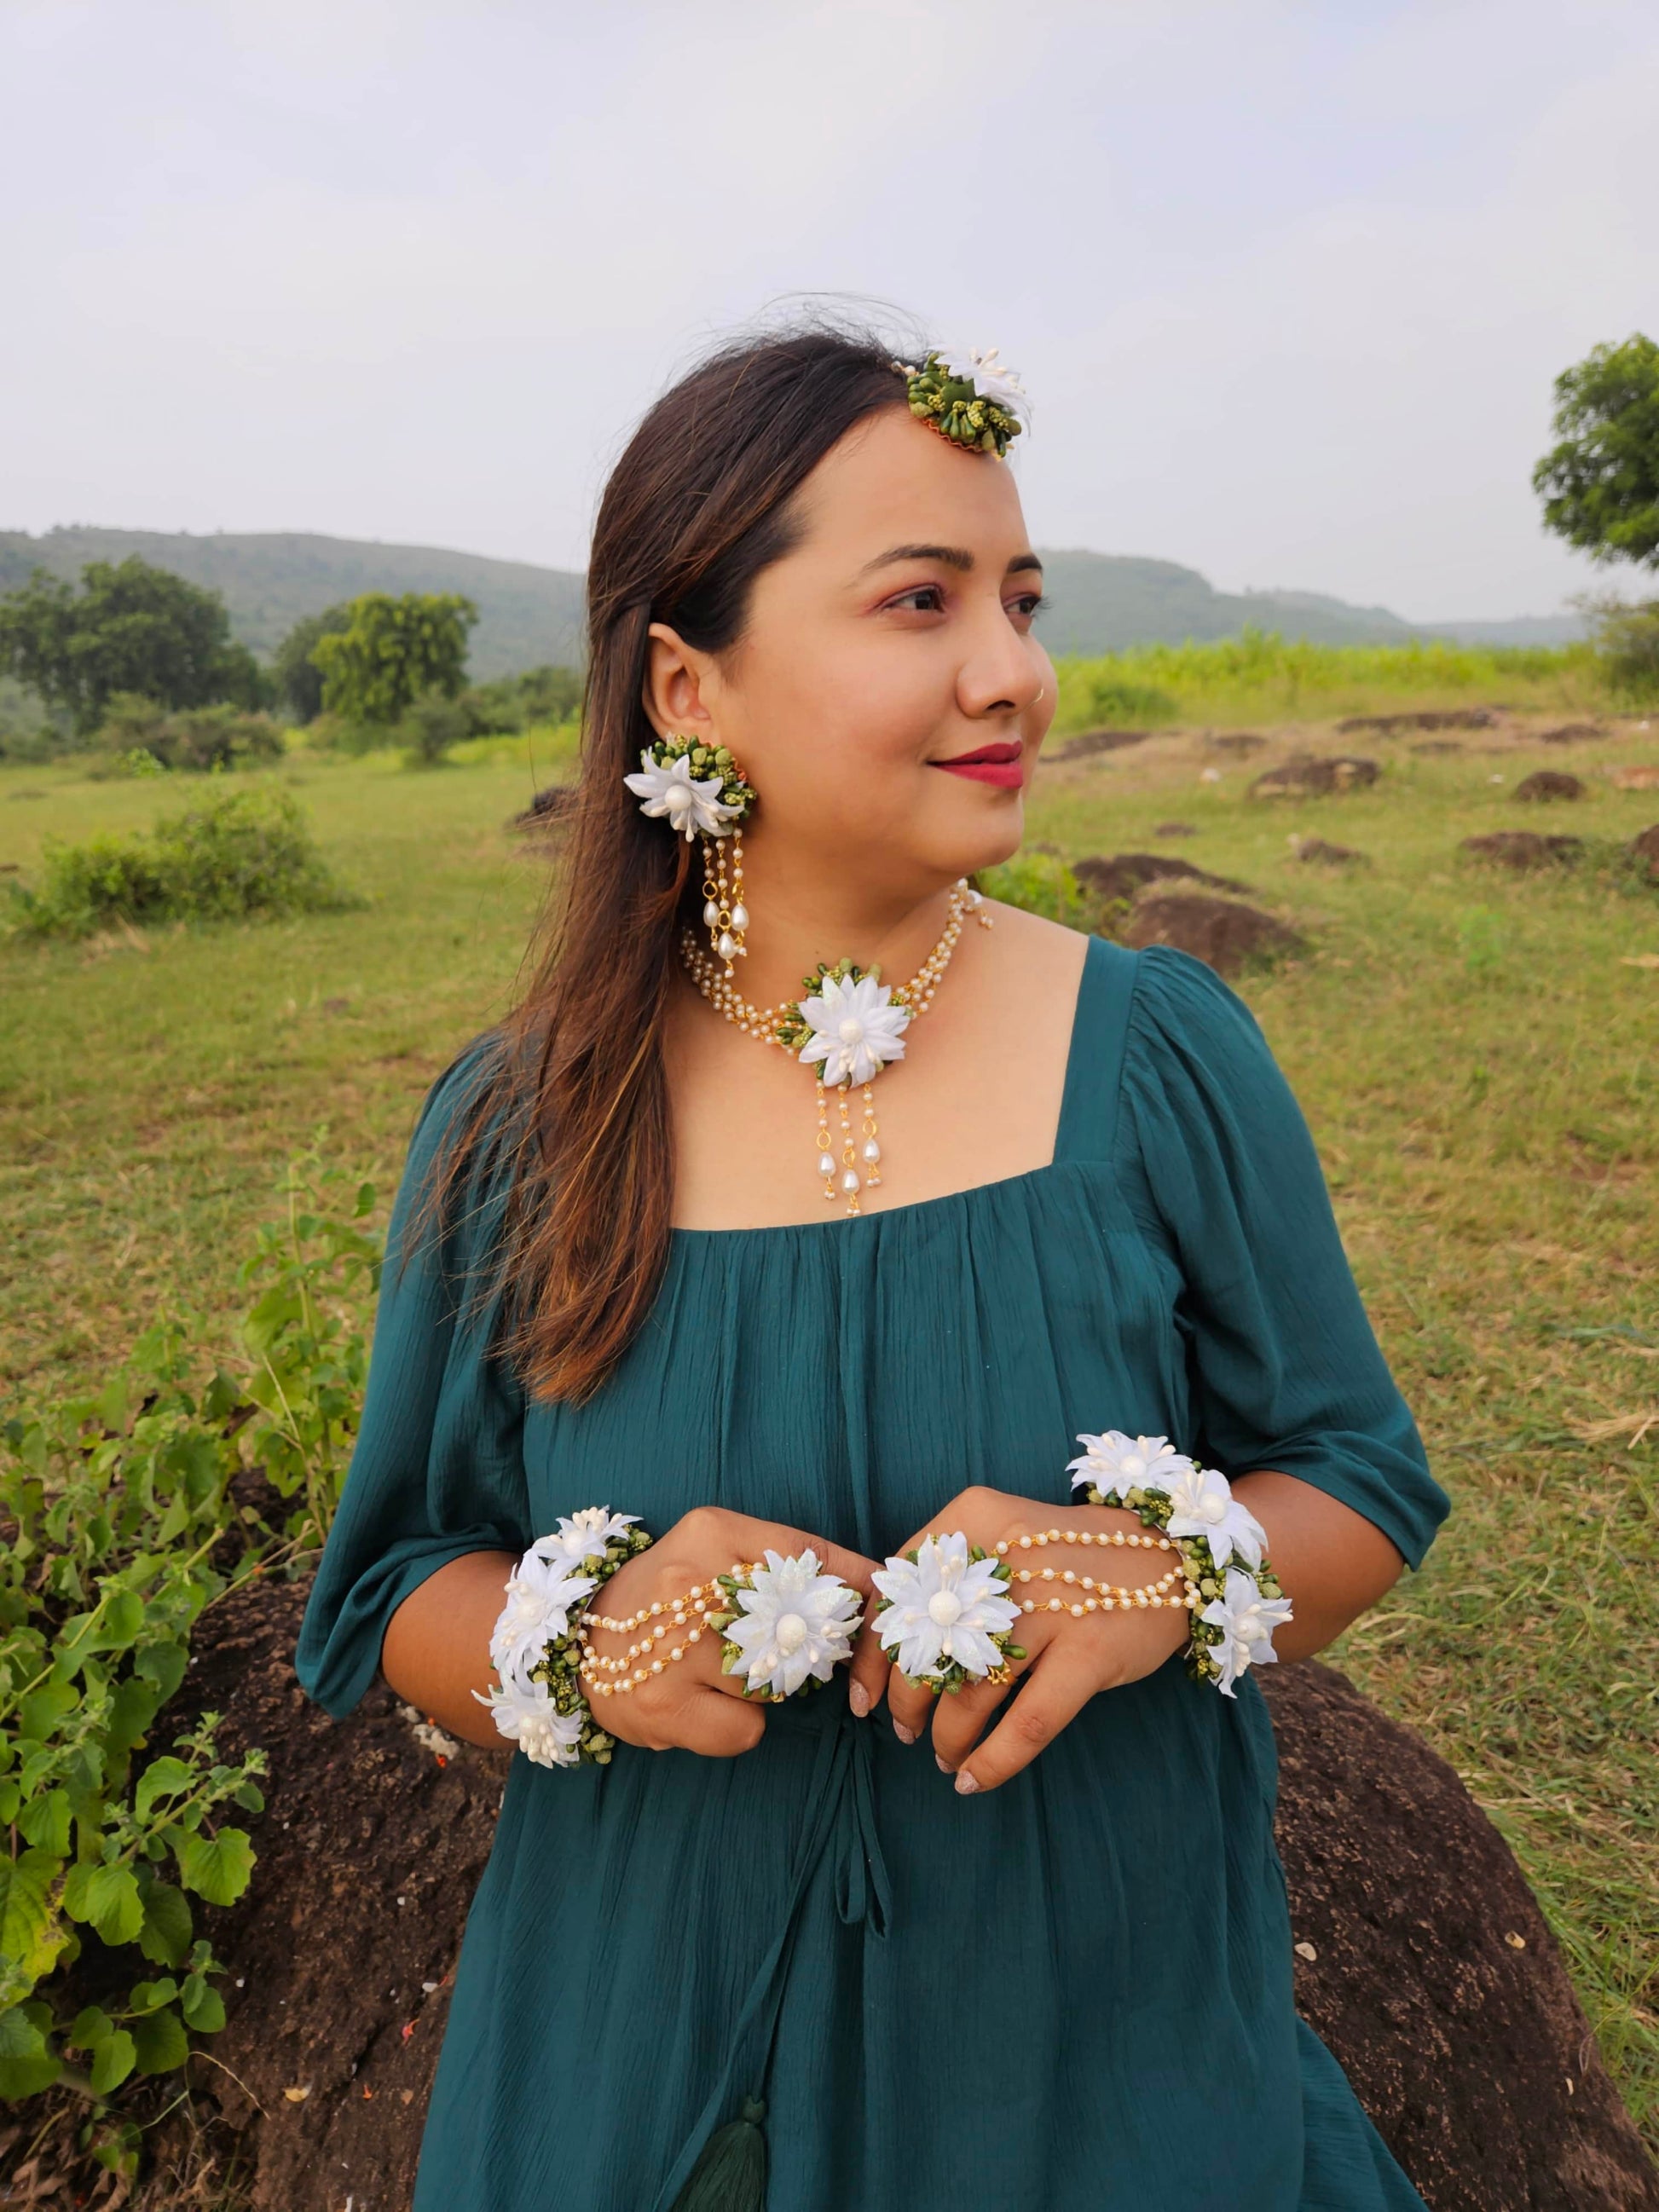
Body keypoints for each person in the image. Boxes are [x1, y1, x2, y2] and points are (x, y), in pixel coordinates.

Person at [294, 321, 1449, 2211]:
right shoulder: (526, 1126)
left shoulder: (1157, 1053)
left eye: (1021, 595)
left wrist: (1167, 1565)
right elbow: (396, 1588)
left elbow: (1361, 1477)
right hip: (642, 2065)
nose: (1017, 674)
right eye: (920, 602)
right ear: (688, 684)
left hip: (1096, 2056)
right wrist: (594, 1640)